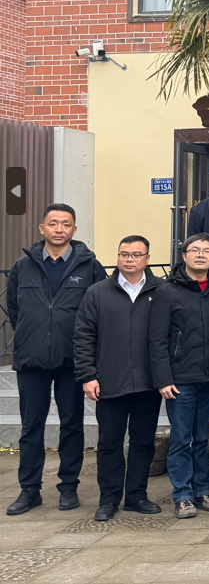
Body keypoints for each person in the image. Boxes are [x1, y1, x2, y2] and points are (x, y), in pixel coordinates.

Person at [5, 204, 105, 516]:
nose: (59, 229)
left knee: (72, 425)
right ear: (42, 228)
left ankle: (69, 487)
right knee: (31, 426)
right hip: (32, 359)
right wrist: (32, 335)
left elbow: (99, 312)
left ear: (74, 229)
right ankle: (29, 489)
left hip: (73, 358)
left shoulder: (90, 267)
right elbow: (15, 310)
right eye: (53, 223)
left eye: (65, 224)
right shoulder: (23, 266)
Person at [73, 235, 163, 521]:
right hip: (110, 380)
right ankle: (109, 499)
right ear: (117, 256)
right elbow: (83, 336)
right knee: (109, 442)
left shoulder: (161, 291)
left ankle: (137, 496)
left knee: (143, 442)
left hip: (148, 382)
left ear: (147, 259)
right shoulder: (97, 292)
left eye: (136, 255)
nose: (129, 259)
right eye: (124, 254)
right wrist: (88, 375)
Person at [149, 232, 209, 519]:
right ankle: (182, 494)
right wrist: (163, 378)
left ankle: (203, 489)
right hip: (180, 380)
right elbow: (157, 339)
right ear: (183, 255)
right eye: (194, 250)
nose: (200, 255)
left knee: (206, 438)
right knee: (181, 439)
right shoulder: (167, 291)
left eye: (206, 251)